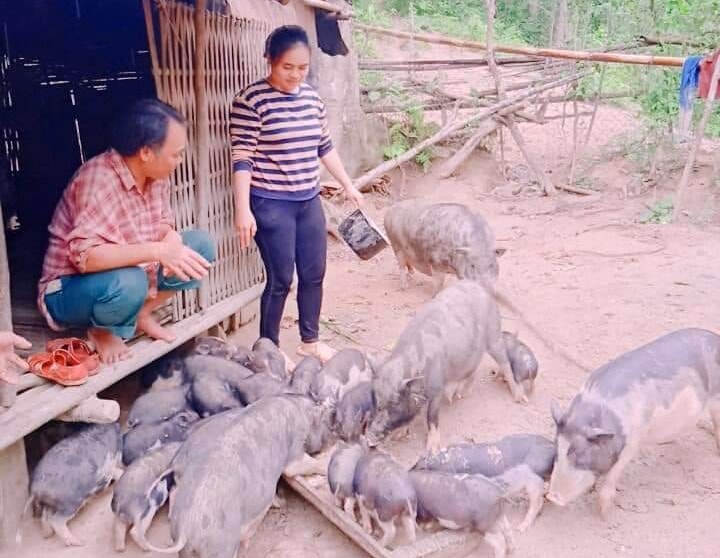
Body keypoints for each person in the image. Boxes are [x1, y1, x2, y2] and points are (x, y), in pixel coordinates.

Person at [37, 99, 216, 364]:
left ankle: (142, 314)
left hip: (124, 276)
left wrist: (171, 238)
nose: (180, 160)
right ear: (146, 152)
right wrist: (157, 250)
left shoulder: (156, 177)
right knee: (131, 280)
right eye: (176, 153)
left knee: (200, 245)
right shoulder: (98, 179)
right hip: (67, 290)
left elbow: (163, 224)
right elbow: (85, 258)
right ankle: (101, 330)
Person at [231, 25, 363, 363]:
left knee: (314, 273)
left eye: (302, 68)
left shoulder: (311, 99)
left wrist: (348, 185)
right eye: (287, 67)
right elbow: (242, 159)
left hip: (308, 200)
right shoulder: (250, 101)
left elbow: (324, 146)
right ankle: (268, 349)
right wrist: (242, 209)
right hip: (271, 202)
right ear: (269, 60)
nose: (295, 75)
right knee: (281, 279)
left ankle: (310, 341)